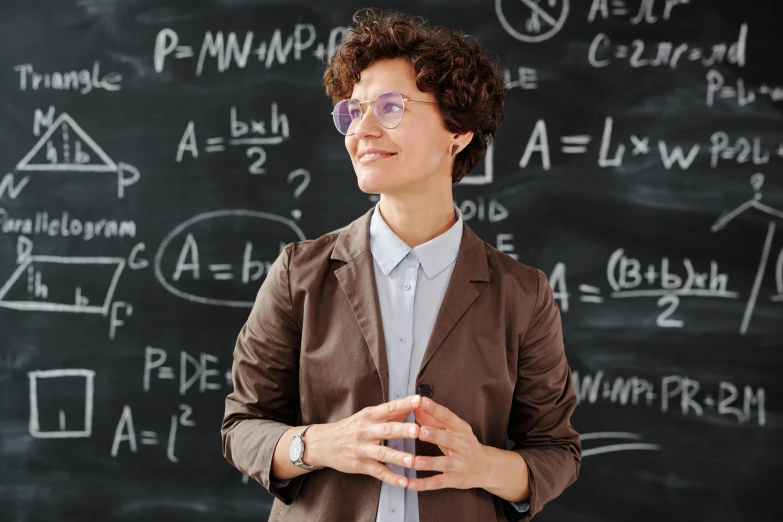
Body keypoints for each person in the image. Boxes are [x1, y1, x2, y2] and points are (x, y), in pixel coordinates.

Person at [221, 8, 580, 522]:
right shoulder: (300, 273)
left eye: (390, 108)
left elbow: (556, 451)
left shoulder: (522, 294)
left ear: (459, 132)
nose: (361, 129)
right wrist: (323, 444)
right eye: (353, 111)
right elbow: (242, 426)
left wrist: (482, 465)